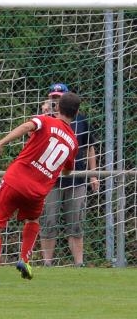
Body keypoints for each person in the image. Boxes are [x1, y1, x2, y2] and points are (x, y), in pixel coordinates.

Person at [0, 92, 81, 287]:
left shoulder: (45, 121)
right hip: (38, 191)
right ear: (76, 113)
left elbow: (27, 126)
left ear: (57, 108)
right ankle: (25, 260)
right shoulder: (73, 142)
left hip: (15, 181)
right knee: (33, 220)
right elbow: (68, 171)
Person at [39, 83, 99, 267]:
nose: (55, 101)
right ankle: (47, 263)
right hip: (50, 179)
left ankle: (78, 264)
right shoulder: (44, 120)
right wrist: (43, 114)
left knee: (76, 224)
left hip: (76, 179)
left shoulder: (81, 121)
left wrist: (93, 174)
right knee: (49, 221)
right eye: (53, 98)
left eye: (59, 98)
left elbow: (89, 148)